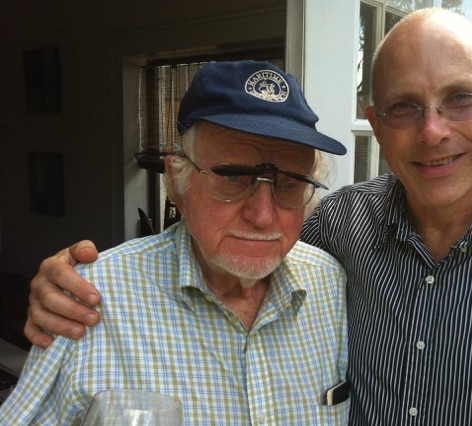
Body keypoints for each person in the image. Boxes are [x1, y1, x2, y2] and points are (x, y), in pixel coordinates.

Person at [23, 7, 472, 426]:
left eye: (461, 99)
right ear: (177, 178)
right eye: (404, 106)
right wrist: (64, 281)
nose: (432, 131)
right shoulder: (338, 234)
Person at [1, 60, 351, 425]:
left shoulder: (332, 286)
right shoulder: (90, 299)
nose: (263, 216)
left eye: (290, 183)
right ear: (176, 182)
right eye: (232, 177)